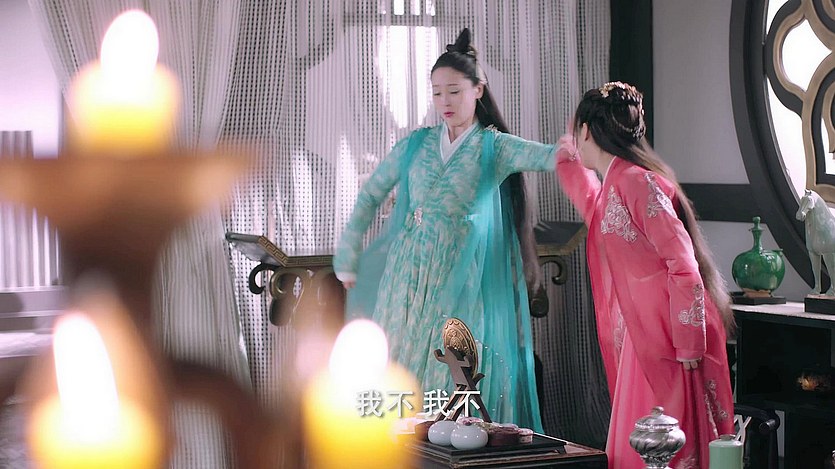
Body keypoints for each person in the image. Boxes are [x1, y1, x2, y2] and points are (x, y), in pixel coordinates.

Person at [333, 28, 554, 431]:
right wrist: (348, 254)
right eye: (437, 93)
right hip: (406, 275)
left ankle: (452, 446)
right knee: (398, 368)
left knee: (449, 374)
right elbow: (370, 195)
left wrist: (582, 147)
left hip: (460, 277)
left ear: (478, 90)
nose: (445, 102)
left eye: (454, 91)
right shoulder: (416, 145)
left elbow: (549, 157)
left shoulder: (494, 147)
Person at [556, 81, 734, 468]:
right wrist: (566, 162)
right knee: (644, 437)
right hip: (643, 333)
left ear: (586, 130)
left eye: (575, 131)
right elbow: (593, 207)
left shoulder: (638, 181)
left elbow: (683, 262)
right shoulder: (617, 181)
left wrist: (688, 340)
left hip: (668, 333)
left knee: (663, 438)